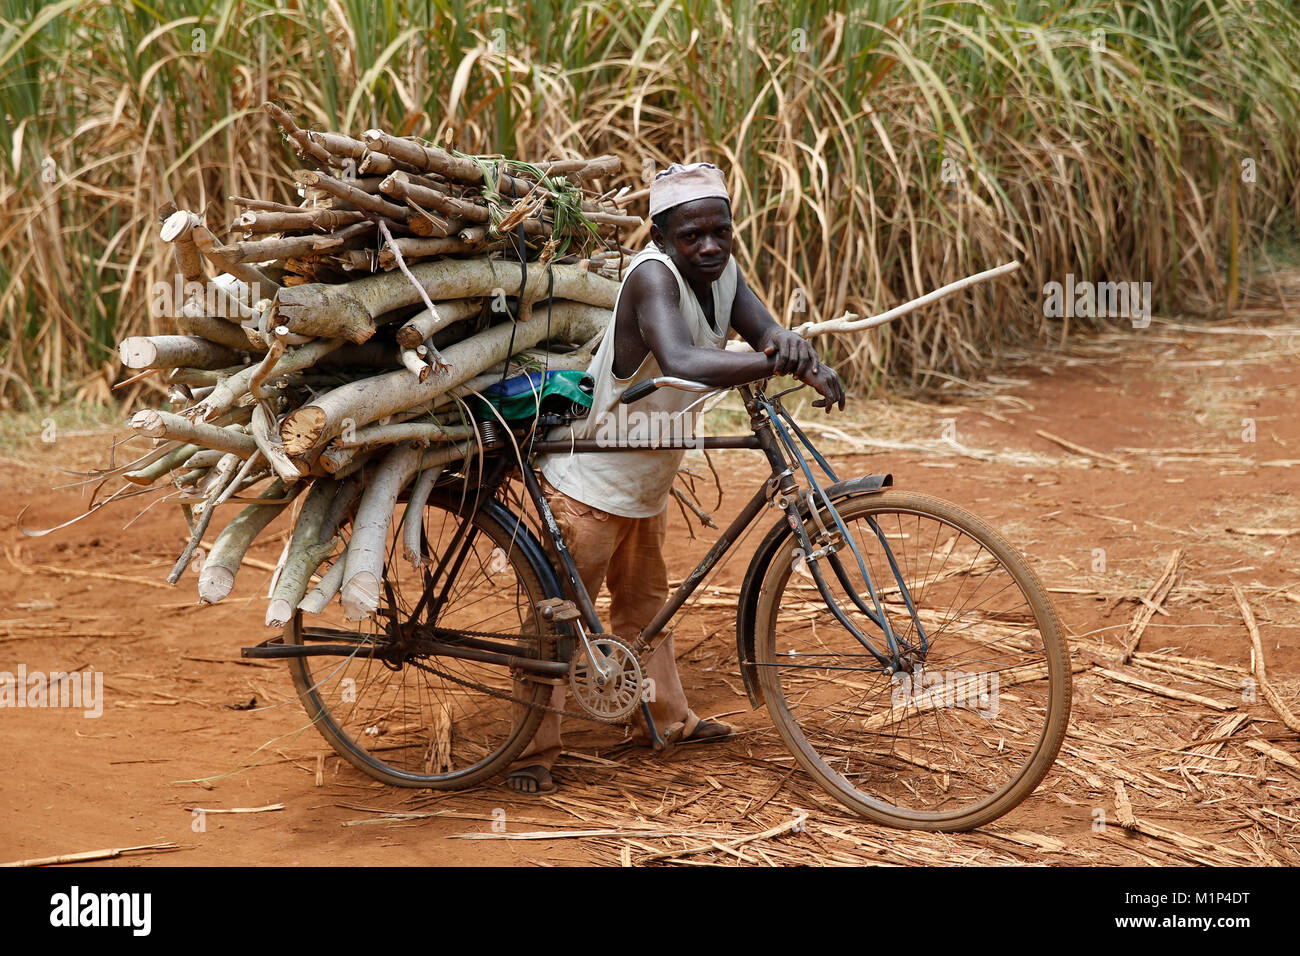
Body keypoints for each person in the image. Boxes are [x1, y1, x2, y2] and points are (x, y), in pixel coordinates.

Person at [506, 161, 845, 794]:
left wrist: (799, 355)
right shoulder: (651, 278)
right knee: (559, 616)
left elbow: (766, 331)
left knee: (642, 605)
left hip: (646, 477)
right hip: (592, 478)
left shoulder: (723, 275)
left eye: (721, 231)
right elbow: (683, 359)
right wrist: (770, 359)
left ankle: (666, 719)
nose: (710, 246)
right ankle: (531, 749)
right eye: (693, 236)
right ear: (662, 235)